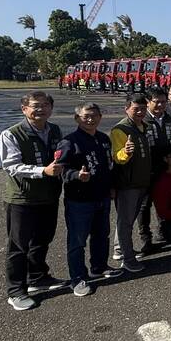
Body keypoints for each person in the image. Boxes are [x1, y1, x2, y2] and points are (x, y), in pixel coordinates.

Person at [0, 91, 67, 310]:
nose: (41, 109)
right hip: (23, 198)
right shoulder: (11, 134)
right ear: (24, 109)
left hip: (48, 196)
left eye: (45, 105)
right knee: (18, 245)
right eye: (36, 106)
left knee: (43, 238)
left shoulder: (54, 130)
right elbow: (12, 166)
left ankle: (38, 277)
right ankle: (16, 291)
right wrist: (42, 171)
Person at [56, 103, 121, 297]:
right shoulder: (69, 142)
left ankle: (99, 267)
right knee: (77, 241)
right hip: (80, 200)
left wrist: (111, 186)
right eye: (86, 116)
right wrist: (76, 175)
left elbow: (109, 166)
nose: (90, 119)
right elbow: (61, 170)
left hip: (102, 196)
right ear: (77, 119)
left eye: (94, 116)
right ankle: (77, 277)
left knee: (102, 235)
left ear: (100, 117)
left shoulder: (103, 139)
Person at [110, 94, 152, 273]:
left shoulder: (144, 126)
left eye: (143, 108)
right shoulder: (120, 129)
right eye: (136, 109)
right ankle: (128, 259)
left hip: (142, 181)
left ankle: (120, 250)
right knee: (125, 222)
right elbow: (117, 157)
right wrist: (125, 152)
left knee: (128, 219)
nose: (141, 112)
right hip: (128, 183)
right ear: (127, 108)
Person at [140, 87, 171, 253]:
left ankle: (163, 232)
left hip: (165, 168)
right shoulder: (142, 120)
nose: (160, 105)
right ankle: (145, 238)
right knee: (145, 205)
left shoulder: (169, 120)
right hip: (146, 169)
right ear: (148, 102)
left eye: (164, 102)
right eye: (156, 102)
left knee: (165, 201)